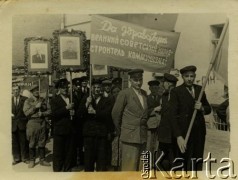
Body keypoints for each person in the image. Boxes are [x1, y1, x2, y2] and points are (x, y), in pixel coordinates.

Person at [169, 65, 211, 171]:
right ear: (182, 77)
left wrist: (202, 108)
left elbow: (208, 108)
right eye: (186, 76)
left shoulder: (199, 89)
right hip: (184, 134)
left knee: (196, 162)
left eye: (191, 76)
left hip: (198, 133)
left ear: (194, 76)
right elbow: (172, 116)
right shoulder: (176, 91)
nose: (189, 79)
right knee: (182, 163)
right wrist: (178, 136)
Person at [112, 69, 148, 171]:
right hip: (129, 136)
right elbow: (115, 114)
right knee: (129, 168)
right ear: (130, 80)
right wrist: (122, 130)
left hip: (142, 136)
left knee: (141, 168)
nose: (138, 82)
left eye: (140, 79)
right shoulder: (125, 93)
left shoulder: (144, 94)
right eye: (135, 80)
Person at [79, 79, 113, 171]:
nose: (97, 89)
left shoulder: (106, 100)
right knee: (88, 160)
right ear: (91, 89)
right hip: (89, 134)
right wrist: (86, 103)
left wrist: (95, 112)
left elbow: (107, 113)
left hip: (101, 134)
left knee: (101, 161)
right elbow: (79, 114)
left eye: (98, 87)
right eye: (94, 87)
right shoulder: (86, 98)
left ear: (101, 88)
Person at [50, 79, 76, 172]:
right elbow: (54, 114)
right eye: (63, 88)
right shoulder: (54, 100)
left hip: (70, 129)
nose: (65, 89)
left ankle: (67, 168)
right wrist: (66, 108)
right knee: (58, 152)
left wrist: (73, 112)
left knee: (69, 151)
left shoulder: (72, 98)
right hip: (60, 130)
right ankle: (57, 170)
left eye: (66, 87)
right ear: (59, 89)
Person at [23, 85, 51, 168]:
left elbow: (50, 110)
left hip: (42, 122)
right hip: (32, 123)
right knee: (32, 142)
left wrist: (43, 113)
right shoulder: (28, 101)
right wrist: (35, 107)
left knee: (42, 142)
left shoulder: (43, 100)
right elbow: (26, 113)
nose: (36, 92)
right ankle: (32, 160)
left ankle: (42, 160)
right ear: (31, 92)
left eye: (37, 90)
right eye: (34, 91)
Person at [157, 73, 178, 170]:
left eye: (164, 82)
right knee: (160, 160)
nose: (162, 84)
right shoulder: (164, 95)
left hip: (173, 133)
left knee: (173, 159)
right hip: (163, 133)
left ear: (169, 84)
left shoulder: (178, 95)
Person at [12, 85, 29, 165]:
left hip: (22, 123)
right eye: (14, 90)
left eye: (17, 90)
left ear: (19, 90)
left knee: (23, 141)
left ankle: (24, 158)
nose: (15, 91)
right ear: (12, 91)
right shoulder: (9, 100)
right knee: (14, 142)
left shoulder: (25, 99)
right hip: (13, 124)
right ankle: (16, 158)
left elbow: (27, 111)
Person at [146, 80, 161, 154]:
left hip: (160, 124)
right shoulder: (146, 98)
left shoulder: (162, 98)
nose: (155, 90)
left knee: (157, 146)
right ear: (150, 88)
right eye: (153, 88)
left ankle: (155, 163)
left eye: (156, 88)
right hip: (150, 125)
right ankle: (147, 163)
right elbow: (144, 111)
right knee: (148, 145)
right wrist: (154, 109)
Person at [110, 85, 122, 171]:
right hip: (113, 131)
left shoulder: (124, 102)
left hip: (123, 130)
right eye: (114, 92)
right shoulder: (110, 103)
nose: (116, 94)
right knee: (114, 151)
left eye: (118, 91)